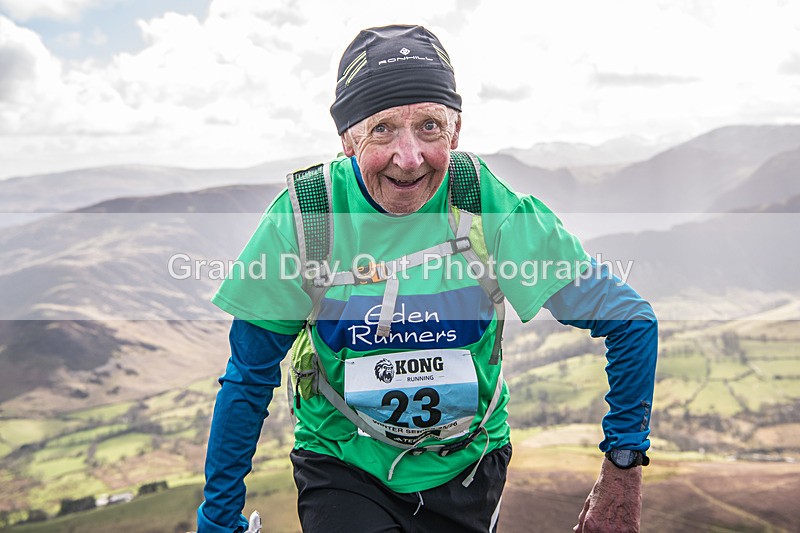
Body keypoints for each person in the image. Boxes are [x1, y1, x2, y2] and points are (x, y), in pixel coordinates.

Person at [195, 25, 657, 533]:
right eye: (383, 129)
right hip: (343, 464)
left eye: (430, 127)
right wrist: (218, 519)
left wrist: (622, 471)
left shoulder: (485, 206)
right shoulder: (308, 218)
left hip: (469, 467)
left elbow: (630, 320)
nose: (409, 157)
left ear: (456, 132)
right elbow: (248, 376)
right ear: (347, 139)